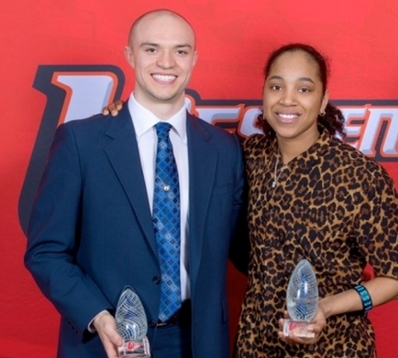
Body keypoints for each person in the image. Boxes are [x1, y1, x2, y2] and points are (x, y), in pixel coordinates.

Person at [24, 9, 245, 358]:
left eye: (181, 51)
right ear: (129, 54)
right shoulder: (82, 142)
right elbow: (46, 250)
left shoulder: (223, 148)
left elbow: (242, 246)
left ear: (195, 59)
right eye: (151, 49)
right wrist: (96, 315)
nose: (167, 62)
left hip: (199, 341)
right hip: (107, 342)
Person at [234, 43, 398, 358]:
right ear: (264, 94)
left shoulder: (358, 175)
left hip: (334, 349)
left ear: (323, 101)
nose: (287, 99)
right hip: (256, 347)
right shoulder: (250, 156)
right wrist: (120, 114)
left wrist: (329, 307)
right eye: (276, 86)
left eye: (304, 88)